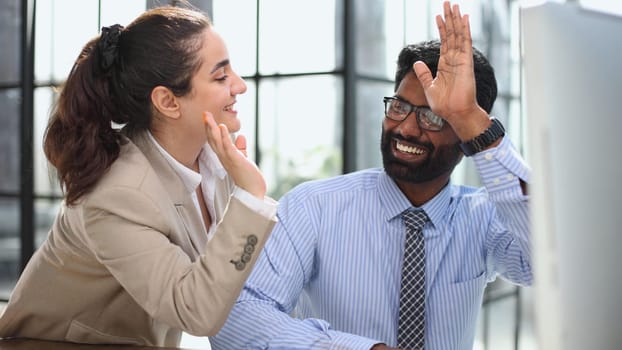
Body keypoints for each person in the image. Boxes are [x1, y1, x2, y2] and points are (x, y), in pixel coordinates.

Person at [211, 2, 530, 350]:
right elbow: (235, 320)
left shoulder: (481, 219)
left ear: (463, 131)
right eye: (398, 107)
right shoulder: (314, 208)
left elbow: (542, 263)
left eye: (433, 117)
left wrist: (470, 117)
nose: (406, 128)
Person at [0, 3, 277, 348]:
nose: (239, 85)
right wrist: (250, 195)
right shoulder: (120, 192)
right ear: (168, 101)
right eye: (220, 76)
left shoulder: (214, 163)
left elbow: (226, 283)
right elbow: (196, 311)